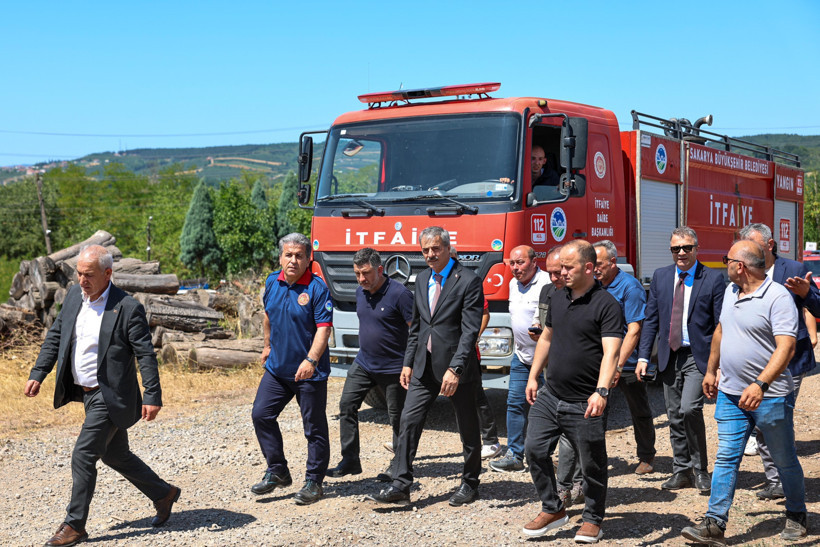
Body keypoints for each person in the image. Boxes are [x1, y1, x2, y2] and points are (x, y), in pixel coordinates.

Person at [25, 245, 180, 547]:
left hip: (111, 395)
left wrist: (152, 395)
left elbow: (145, 354)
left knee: (83, 454)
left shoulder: (126, 307)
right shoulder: (73, 297)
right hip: (85, 394)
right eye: (79, 274)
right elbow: (56, 335)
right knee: (115, 453)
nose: (82, 280)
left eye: (89, 275)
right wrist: (38, 373)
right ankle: (163, 493)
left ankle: (74, 525)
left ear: (108, 274)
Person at [680, 240, 806, 545]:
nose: (724, 264)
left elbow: (786, 346)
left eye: (727, 260)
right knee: (726, 456)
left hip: (771, 395)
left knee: (782, 458)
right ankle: (714, 523)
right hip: (731, 394)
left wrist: (760, 384)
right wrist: (711, 370)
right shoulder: (730, 292)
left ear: (740, 266)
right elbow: (721, 331)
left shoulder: (777, 297)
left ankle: (796, 514)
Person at [368, 226, 484, 506]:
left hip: (456, 370)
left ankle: (470, 483)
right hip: (423, 366)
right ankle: (400, 484)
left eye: (435, 249)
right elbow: (417, 327)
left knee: (467, 427)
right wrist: (407, 363)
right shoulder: (421, 279)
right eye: (425, 250)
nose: (430, 254)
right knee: (409, 421)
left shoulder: (468, 280)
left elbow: (469, 332)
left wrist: (455, 369)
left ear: (447, 248)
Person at [522, 240, 624, 543]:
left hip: (585, 401)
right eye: (560, 267)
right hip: (551, 394)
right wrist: (533, 377)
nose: (561, 273)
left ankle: (593, 518)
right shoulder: (556, 297)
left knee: (591, 462)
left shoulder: (607, 304)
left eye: (568, 267)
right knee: (534, 450)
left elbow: (611, 353)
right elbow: (547, 338)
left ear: (589, 268)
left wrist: (601, 391)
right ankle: (553, 508)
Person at [637, 227, 724, 494]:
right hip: (669, 356)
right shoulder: (662, 277)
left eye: (687, 248)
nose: (682, 253)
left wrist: (719, 364)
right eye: (676, 249)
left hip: (699, 356)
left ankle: (700, 470)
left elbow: (722, 324)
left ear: (697, 248)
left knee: (689, 409)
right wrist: (643, 356)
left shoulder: (712, 278)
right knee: (674, 415)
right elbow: (651, 320)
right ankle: (681, 470)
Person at [739, 223, 820, 500]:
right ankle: (776, 481)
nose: (747, 254)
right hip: (755, 359)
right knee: (762, 419)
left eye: (753, 247)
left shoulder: (794, 269)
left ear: (770, 246)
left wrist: (807, 293)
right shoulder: (743, 272)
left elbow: (817, 307)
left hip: (790, 360)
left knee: (773, 418)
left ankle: (785, 480)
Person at [251, 233, 333, 505]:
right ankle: (277, 471)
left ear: (308, 258)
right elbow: (268, 315)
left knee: (314, 427)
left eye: (299, 255)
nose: (293, 260)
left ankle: (314, 482)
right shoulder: (272, 281)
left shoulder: (318, 288)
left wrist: (310, 361)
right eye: (289, 255)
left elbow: (324, 330)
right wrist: (266, 346)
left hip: (309, 372)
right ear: (280, 257)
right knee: (261, 414)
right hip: (277, 369)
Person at [328, 248, 412, 479]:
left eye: (365, 273)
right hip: (364, 363)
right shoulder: (360, 292)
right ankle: (350, 460)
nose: (361, 279)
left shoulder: (400, 294)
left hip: (395, 367)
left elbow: (416, 331)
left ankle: (399, 464)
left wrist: (410, 364)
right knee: (346, 405)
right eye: (357, 273)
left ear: (380, 270)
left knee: (398, 418)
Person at [593, 240, 656, 474]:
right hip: (600, 361)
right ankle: (591, 458)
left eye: (599, 264)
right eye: (592, 264)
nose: (595, 269)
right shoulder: (594, 286)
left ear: (612, 262)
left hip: (625, 363)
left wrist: (618, 366)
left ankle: (647, 456)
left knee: (638, 409)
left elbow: (635, 330)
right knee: (596, 410)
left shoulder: (630, 287)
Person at [490, 245, 551, 473]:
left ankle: (548, 456)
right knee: (515, 404)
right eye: (512, 263)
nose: (515, 268)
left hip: (547, 360)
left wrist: (539, 327)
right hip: (521, 356)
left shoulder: (547, 282)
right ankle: (515, 455)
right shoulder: (513, 284)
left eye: (521, 263)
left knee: (549, 408)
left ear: (534, 262)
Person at [451, 246, 502, 459]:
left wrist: (473, 338)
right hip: (443, 352)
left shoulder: (468, 282)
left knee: (477, 397)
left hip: (466, 353)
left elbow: (484, 314)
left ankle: (491, 441)